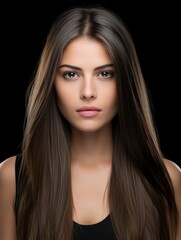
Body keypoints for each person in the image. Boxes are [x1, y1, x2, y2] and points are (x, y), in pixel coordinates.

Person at [0, 4, 181, 240]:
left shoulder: (165, 178)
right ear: (51, 83)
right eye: (71, 74)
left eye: (105, 73)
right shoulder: (12, 178)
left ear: (125, 82)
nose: (87, 92)